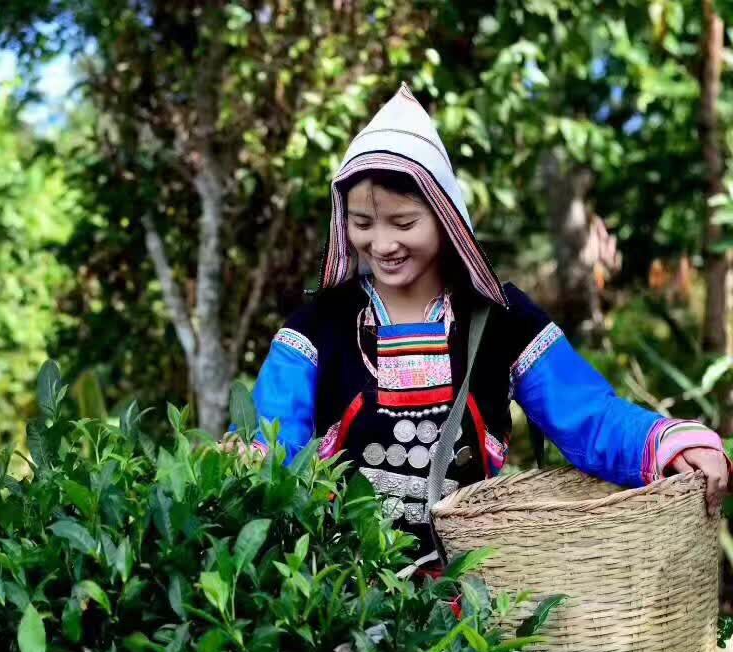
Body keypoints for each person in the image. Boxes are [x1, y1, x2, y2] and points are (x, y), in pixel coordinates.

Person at [244, 84, 729, 568]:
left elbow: (587, 415)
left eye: (403, 222)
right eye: (363, 223)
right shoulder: (318, 325)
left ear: (445, 214)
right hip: (345, 595)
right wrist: (247, 463)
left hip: (475, 604)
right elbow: (275, 444)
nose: (382, 242)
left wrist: (670, 443)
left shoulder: (501, 318)